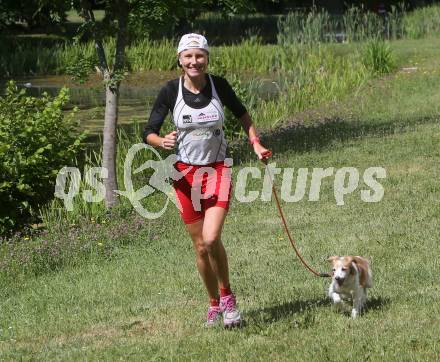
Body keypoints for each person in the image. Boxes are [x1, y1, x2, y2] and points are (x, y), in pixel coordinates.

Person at [143, 33, 271, 327]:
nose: (194, 61)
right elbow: (147, 131)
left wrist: (255, 143)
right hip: (185, 176)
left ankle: (228, 298)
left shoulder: (219, 86)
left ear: (207, 58)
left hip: (217, 170)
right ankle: (213, 305)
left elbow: (243, 116)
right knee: (200, 246)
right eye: (188, 56)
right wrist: (160, 141)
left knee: (212, 238)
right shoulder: (168, 91)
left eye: (199, 55)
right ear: (179, 59)